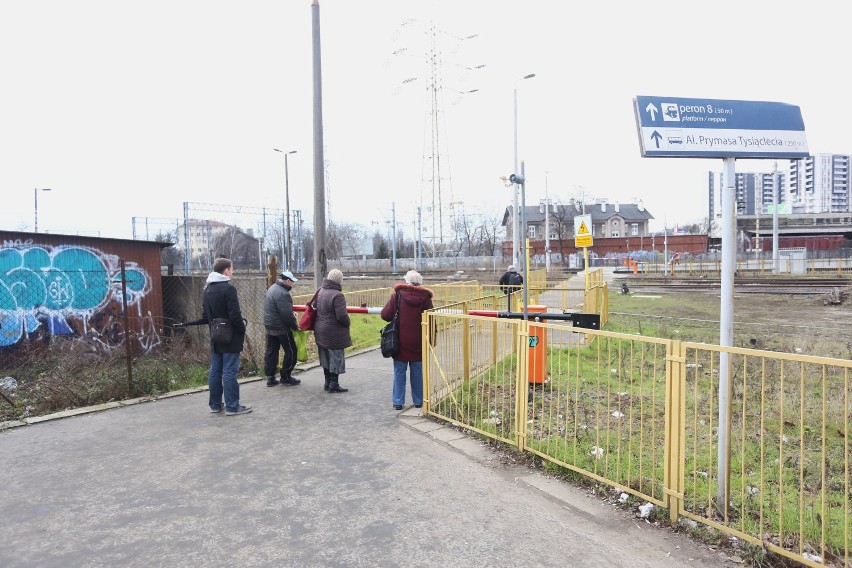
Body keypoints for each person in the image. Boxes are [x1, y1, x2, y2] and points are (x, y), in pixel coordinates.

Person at [183, 257, 251, 416]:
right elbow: (235, 316)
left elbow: (206, 315)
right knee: (229, 372)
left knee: (215, 370)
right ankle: (232, 407)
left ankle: (215, 405)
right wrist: (242, 329)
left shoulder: (207, 289)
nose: (232, 272)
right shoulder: (228, 289)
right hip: (230, 336)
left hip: (215, 335)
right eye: (231, 269)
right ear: (226, 270)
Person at [381, 270, 434, 411]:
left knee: (399, 372)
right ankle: (418, 401)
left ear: (407, 282)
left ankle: (398, 402)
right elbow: (431, 320)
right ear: (420, 283)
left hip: (400, 342)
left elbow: (385, 315)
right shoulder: (426, 299)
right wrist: (431, 341)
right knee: (417, 373)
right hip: (419, 342)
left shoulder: (398, 295)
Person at [313, 269, 351, 393]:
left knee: (325, 357)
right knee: (335, 357)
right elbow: (341, 316)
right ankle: (333, 385)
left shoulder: (321, 291)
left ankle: (327, 383)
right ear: (339, 280)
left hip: (320, 330)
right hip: (333, 332)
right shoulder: (337, 295)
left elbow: (315, 307)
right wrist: (348, 322)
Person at [263, 270, 302, 387]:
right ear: (287, 281)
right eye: (292, 282)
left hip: (270, 325)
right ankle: (285, 376)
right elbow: (286, 315)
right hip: (281, 328)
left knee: (272, 351)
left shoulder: (272, 288)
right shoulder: (283, 293)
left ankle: (270, 377)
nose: (292, 284)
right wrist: (295, 326)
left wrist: (291, 312)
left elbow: (279, 309)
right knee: (291, 351)